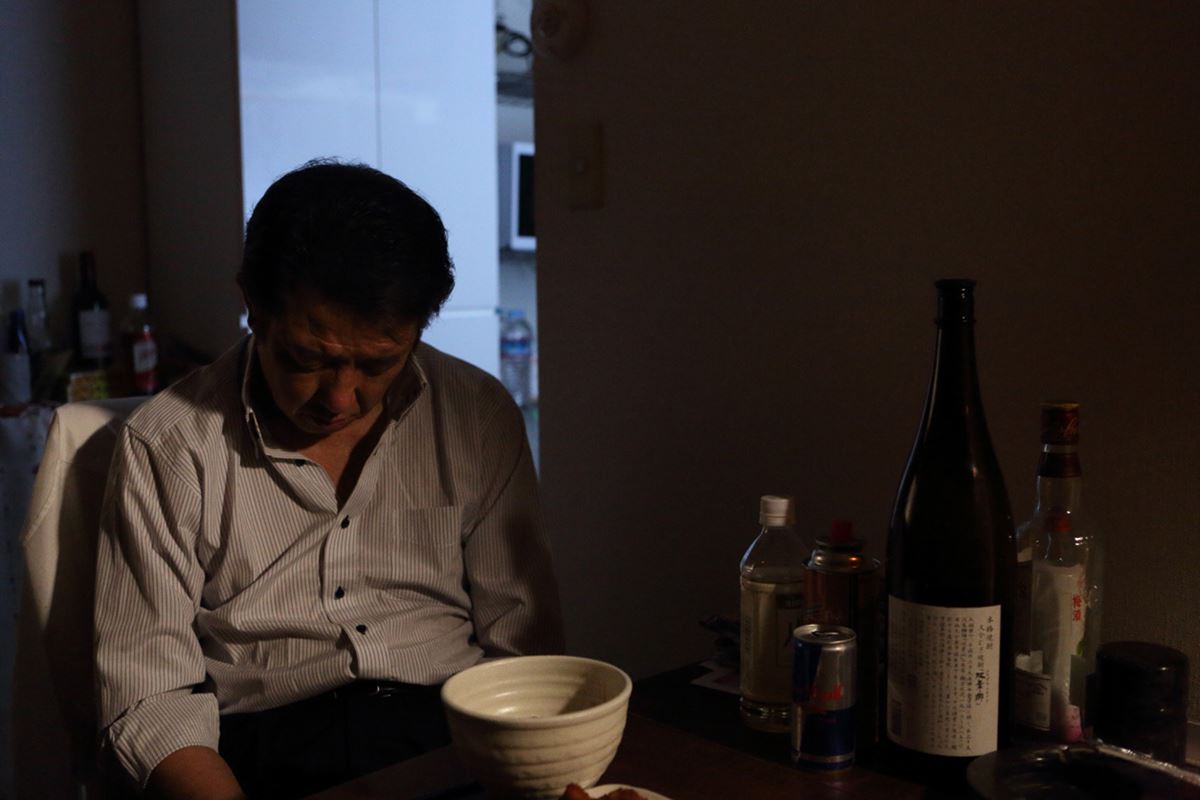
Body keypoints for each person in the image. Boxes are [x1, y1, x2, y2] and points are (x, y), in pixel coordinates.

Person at [94, 160, 564, 799]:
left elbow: (523, 646)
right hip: (260, 752)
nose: (340, 399)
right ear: (253, 306)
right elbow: (149, 693)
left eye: (378, 364)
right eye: (306, 359)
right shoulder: (170, 445)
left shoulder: (474, 414)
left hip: (449, 736)